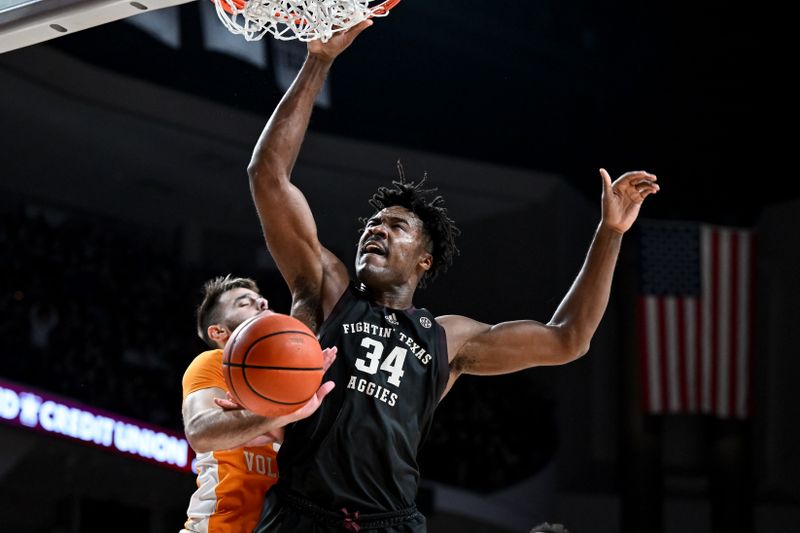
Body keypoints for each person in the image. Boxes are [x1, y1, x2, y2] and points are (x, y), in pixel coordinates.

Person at [247, 19, 659, 533]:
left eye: (395, 227)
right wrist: (318, 61)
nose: (376, 231)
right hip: (301, 514)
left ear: (424, 259)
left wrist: (610, 232)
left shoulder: (447, 337)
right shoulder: (325, 284)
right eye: (372, 224)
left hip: (390, 523)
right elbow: (268, 177)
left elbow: (568, 339)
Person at [180, 275, 336, 532]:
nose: (262, 302)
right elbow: (199, 432)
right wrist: (281, 413)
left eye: (260, 299)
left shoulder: (293, 382)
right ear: (219, 331)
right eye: (244, 303)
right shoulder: (213, 361)